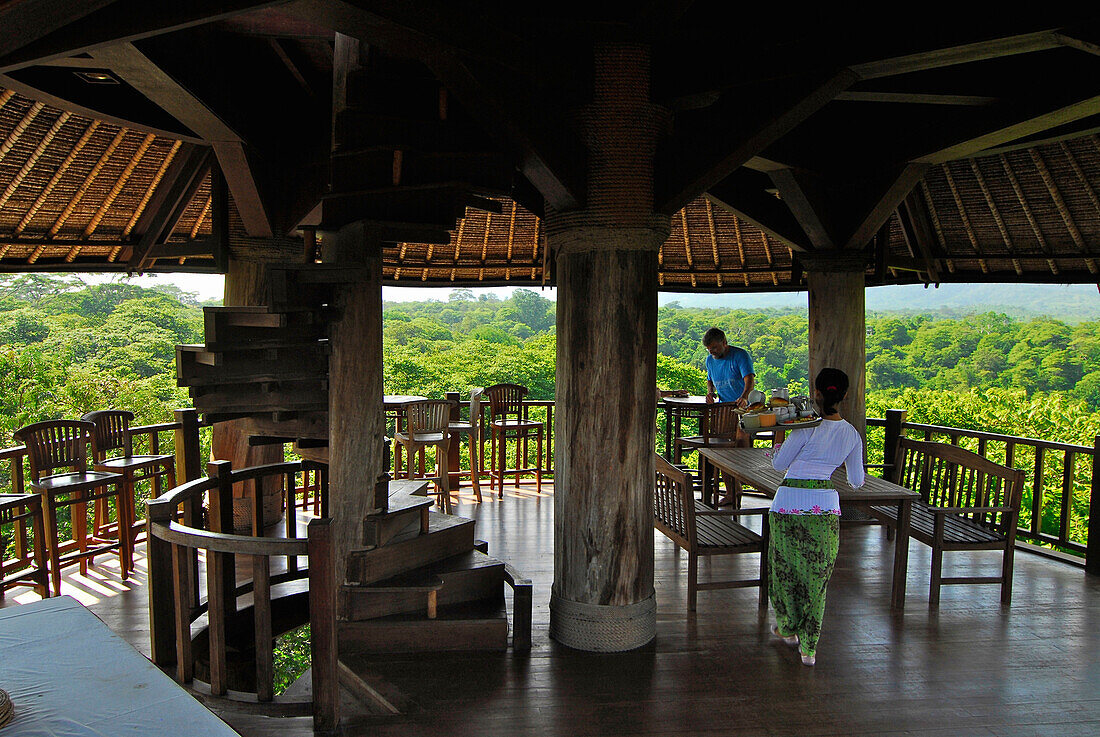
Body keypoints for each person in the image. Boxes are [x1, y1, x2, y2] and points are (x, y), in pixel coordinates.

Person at [767, 367, 864, 667]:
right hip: (824, 510)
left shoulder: (806, 426)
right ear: (845, 395)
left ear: (817, 393)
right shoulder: (851, 434)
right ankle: (809, 648)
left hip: (786, 505)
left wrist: (779, 443)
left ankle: (787, 629)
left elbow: (779, 464)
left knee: (785, 573)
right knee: (816, 579)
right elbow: (856, 481)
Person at [703, 328, 755, 407]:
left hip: (743, 406)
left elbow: (749, 380)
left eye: (714, 348)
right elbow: (710, 381)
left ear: (724, 343)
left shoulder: (740, 355)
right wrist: (710, 393)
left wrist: (744, 397)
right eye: (708, 349)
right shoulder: (709, 360)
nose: (711, 352)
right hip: (723, 407)